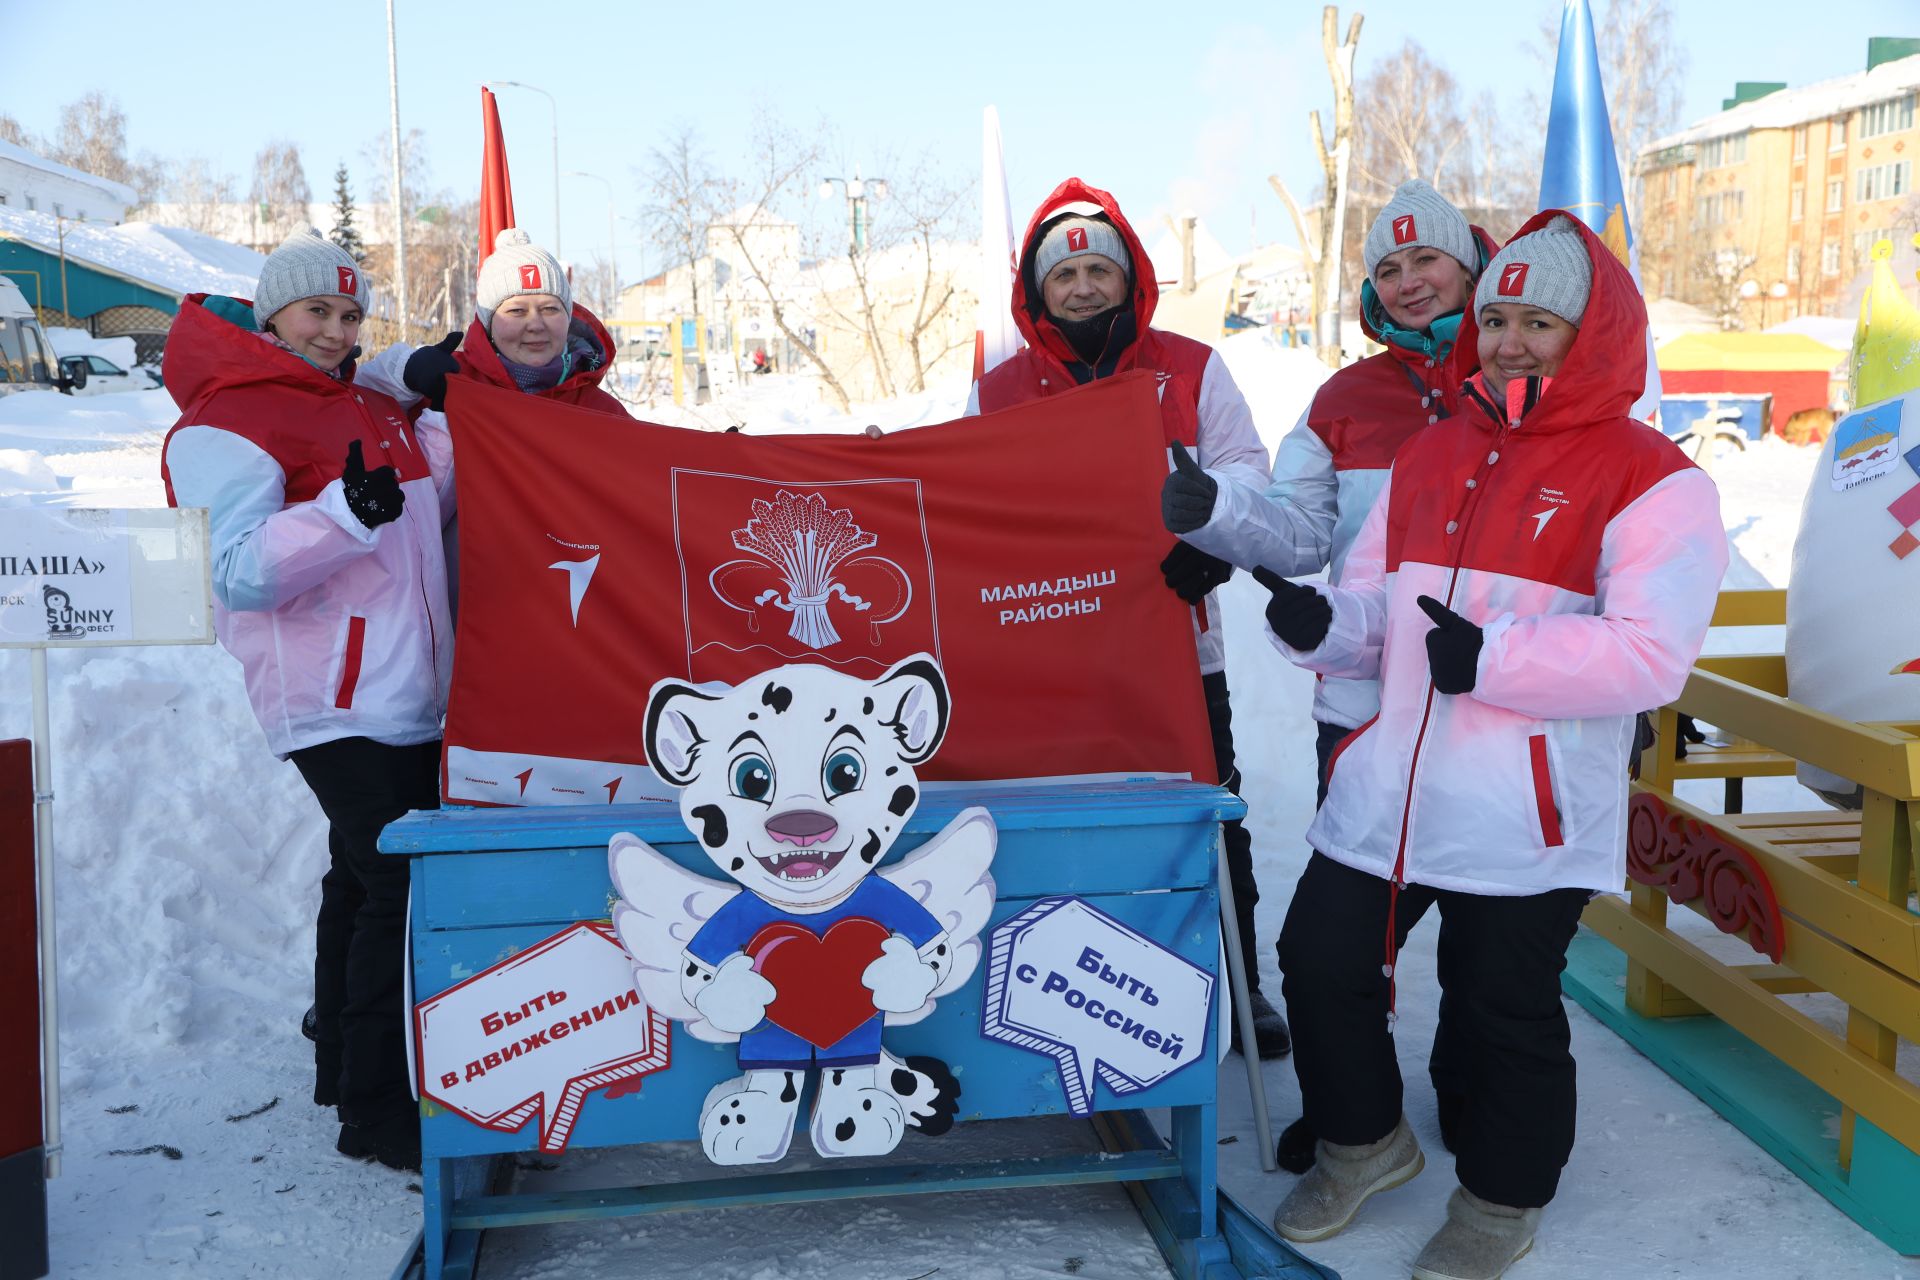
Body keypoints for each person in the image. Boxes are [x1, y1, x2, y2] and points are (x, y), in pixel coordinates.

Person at [1257, 212, 1727, 1279]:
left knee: (1498, 1006)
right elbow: (1379, 607)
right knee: (1321, 961)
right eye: (1498, 316)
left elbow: (1651, 656)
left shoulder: (1655, 478)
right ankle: (1363, 1140)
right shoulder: (1434, 447)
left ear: (1590, 332)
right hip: (1392, 781)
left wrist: (1498, 659)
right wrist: (1322, 625)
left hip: (1527, 805)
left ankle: (1501, 1201)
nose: (1510, 340)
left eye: (1539, 321)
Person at [1168, 179, 1495, 1167]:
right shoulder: (1345, 400)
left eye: (1424, 261)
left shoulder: (1528, 371)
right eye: (1387, 268)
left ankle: (1475, 1088)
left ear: (1470, 265)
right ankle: (1355, 1101)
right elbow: (1300, 529)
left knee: (1488, 922)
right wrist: (1213, 511)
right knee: (1355, 928)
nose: (1406, 282)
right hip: (1363, 700)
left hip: (1503, 702)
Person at [967, 177, 1286, 1058]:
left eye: (1098, 269)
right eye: (1063, 275)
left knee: (1210, 818)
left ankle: (1239, 983)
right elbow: (958, 506)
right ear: (1038, 291)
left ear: (1128, 276)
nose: (1082, 287)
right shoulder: (998, 390)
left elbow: (1248, 471)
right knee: (1061, 825)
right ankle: (1046, 988)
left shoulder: (1190, 366)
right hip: (1048, 657)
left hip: (1177, 645)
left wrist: (1217, 534)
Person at [160, 229, 454, 1173]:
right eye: (316, 312)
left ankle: (341, 1061)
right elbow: (236, 572)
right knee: (396, 886)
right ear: (269, 312)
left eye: (349, 314)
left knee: (358, 879)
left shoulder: (362, 402)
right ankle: (377, 1110)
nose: (335, 330)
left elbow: (424, 498)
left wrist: (451, 394)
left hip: (400, 687)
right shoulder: (227, 420)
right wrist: (340, 517)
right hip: (329, 696)